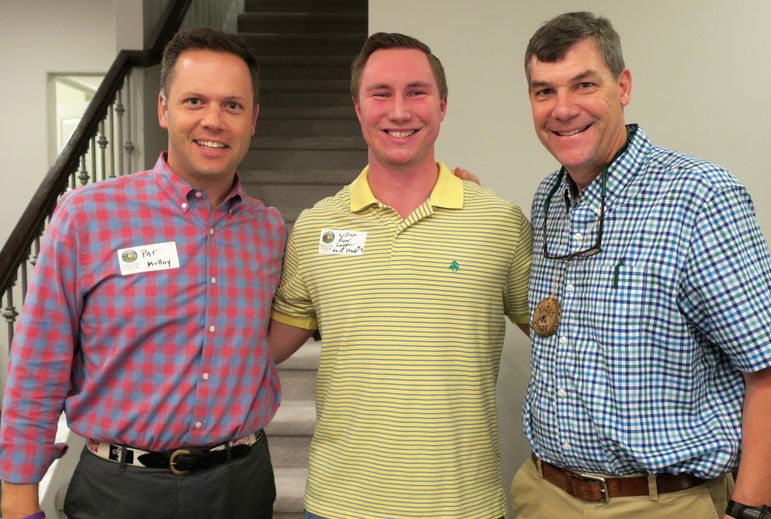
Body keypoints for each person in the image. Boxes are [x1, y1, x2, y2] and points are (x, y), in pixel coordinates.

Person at [0, 28, 284, 519]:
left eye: (233, 106)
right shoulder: (86, 215)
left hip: (242, 483)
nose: (213, 121)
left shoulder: (269, 229)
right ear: (163, 110)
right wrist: (17, 494)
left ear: (254, 119)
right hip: (118, 491)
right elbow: (38, 363)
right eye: (194, 100)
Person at [513, 11, 771, 519]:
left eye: (583, 85)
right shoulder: (549, 199)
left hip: (662, 502)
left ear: (623, 85)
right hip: (543, 493)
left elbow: (766, 366)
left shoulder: (699, 197)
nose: (562, 109)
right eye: (544, 92)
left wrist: (752, 509)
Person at [268, 32, 532, 519]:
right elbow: (263, 346)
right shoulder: (316, 227)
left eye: (416, 92)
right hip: (339, 506)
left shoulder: (498, 222)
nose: (400, 111)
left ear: (443, 105)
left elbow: (563, 338)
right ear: (357, 107)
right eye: (381, 93)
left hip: (464, 506)